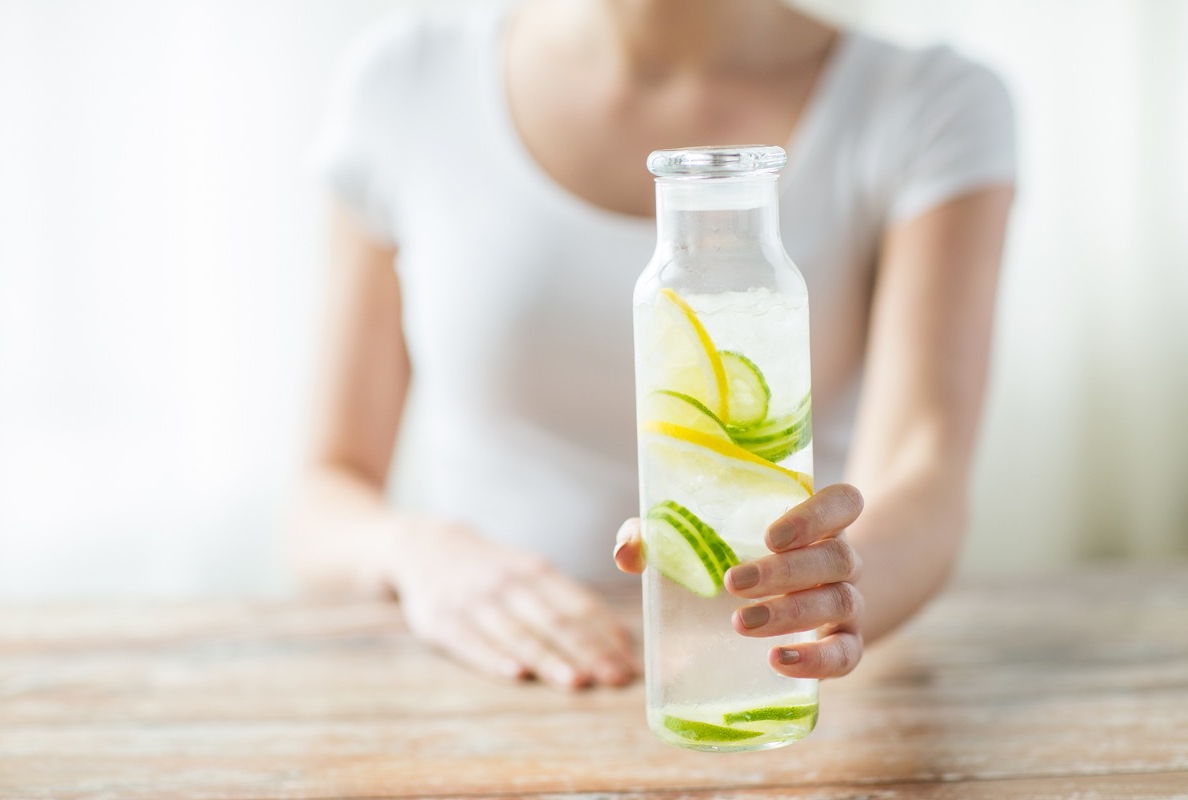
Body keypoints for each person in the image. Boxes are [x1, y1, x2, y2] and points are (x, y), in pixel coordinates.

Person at [290, 0, 1016, 690]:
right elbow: (324, 493)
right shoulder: (406, 81)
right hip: (487, 681)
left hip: (767, 674)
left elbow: (923, 476)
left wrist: (835, 590)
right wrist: (423, 556)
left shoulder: (928, 101)